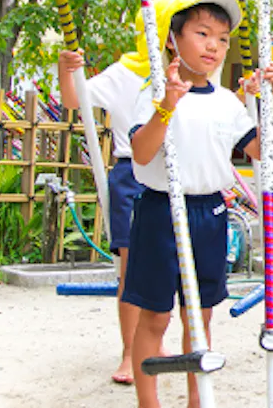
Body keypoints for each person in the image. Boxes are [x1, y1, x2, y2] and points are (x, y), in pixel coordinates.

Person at [124, 0, 273, 408]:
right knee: (156, 315)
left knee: (201, 316)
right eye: (203, 33)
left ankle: (199, 399)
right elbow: (141, 152)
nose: (214, 45)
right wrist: (166, 107)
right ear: (174, 39)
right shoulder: (154, 90)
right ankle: (148, 401)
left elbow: (262, 149)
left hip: (209, 212)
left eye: (223, 38)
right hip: (160, 212)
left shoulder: (228, 103)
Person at [57, 23, 155, 385]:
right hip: (132, 171)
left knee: (172, 266)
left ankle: (156, 343)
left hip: (174, 170)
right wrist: (66, 69)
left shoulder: (188, 72)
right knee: (129, 267)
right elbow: (73, 100)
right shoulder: (123, 74)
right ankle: (130, 352)